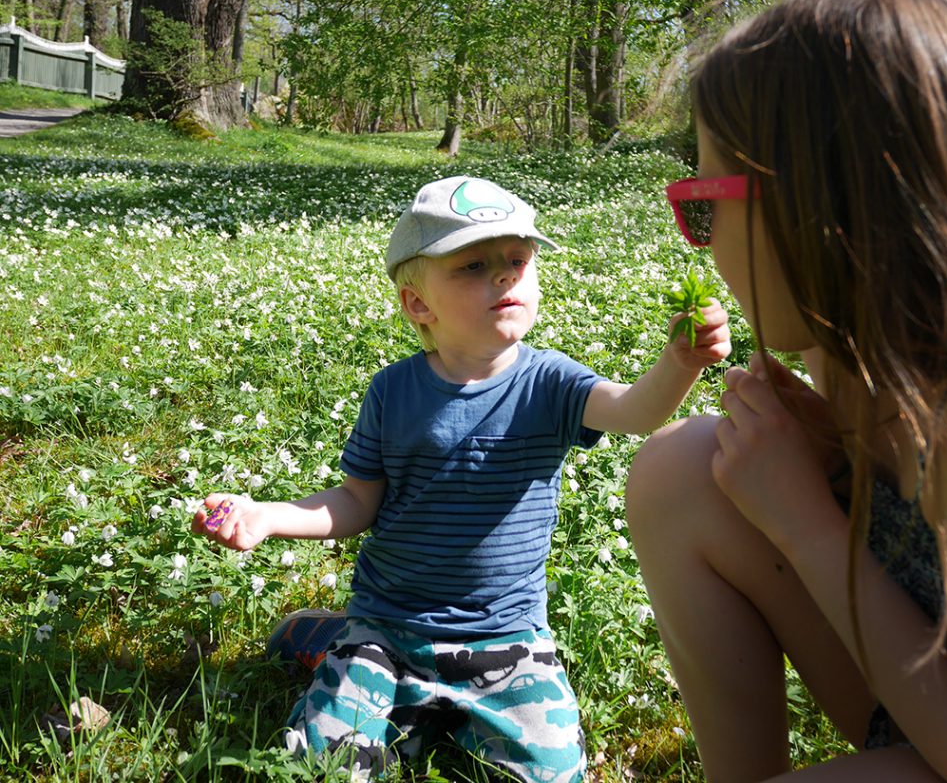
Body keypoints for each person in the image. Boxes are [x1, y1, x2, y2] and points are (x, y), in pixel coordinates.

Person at [626, 0, 947, 782]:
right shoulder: (851, 368)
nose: (702, 239)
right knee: (680, 474)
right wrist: (834, 460)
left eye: (703, 203)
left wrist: (805, 519)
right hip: (943, 719)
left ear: (819, 211)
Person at [192, 175, 731, 782]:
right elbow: (354, 502)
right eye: (474, 266)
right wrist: (268, 516)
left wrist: (679, 363)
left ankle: (347, 650)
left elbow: (635, 411)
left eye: (518, 261)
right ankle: (337, 640)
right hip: (390, 626)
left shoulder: (550, 382)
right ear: (419, 303)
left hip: (507, 636)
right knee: (323, 766)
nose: (504, 276)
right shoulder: (393, 391)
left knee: (555, 775)